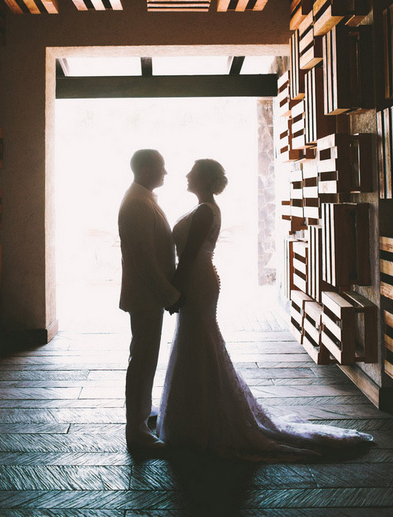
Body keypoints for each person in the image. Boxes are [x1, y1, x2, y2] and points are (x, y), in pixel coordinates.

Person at [157, 158, 374, 459]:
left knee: (198, 340)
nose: (186, 174)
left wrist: (172, 293)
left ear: (205, 180)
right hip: (198, 280)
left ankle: (200, 418)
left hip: (197, 281)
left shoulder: (206, 211)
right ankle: (196, 413)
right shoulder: (203, 209)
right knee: (195, 341)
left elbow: (190, 255)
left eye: (192, 171)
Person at [118, 149, 183, 454]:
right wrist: (169, 295)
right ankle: (137, 431)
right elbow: (144, 260)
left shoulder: (142, 199)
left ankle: (142, 416)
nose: (165, 173)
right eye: (161, 167)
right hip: (145, 297)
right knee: (143, 361)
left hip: (147, 297)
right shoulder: (136, 204)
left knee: (145, 359)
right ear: (145, 170)